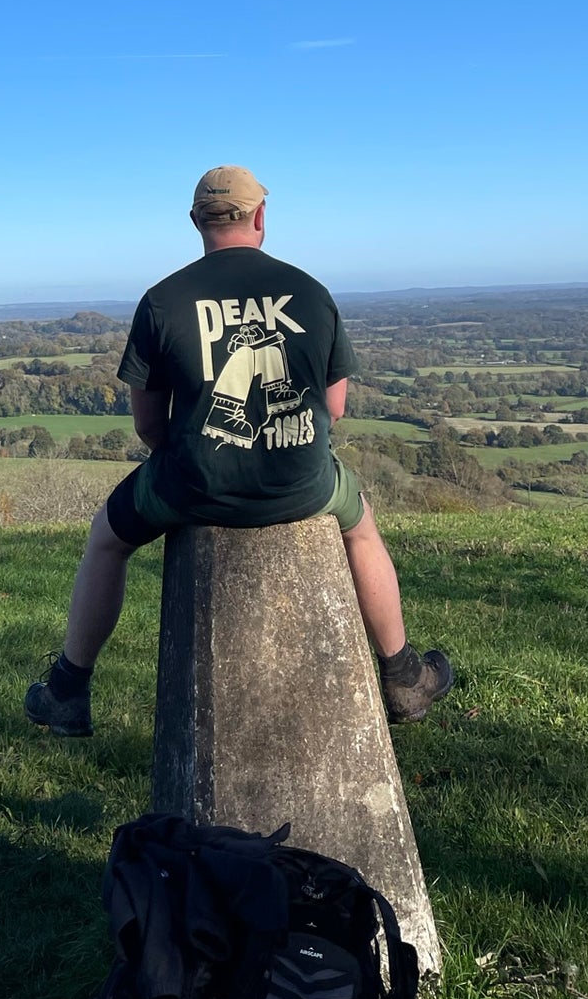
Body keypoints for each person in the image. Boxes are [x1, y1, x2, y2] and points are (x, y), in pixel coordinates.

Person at [25, 165, 453, 739]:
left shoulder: (161, 301)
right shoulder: (311, 293)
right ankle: (403, 676)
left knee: (107, 538)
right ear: (260, 217)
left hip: (192, 485)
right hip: (302, 480)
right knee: (362, 531)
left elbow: (150, 425)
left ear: (196, 221)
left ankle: (69, 689)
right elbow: (336, 409)